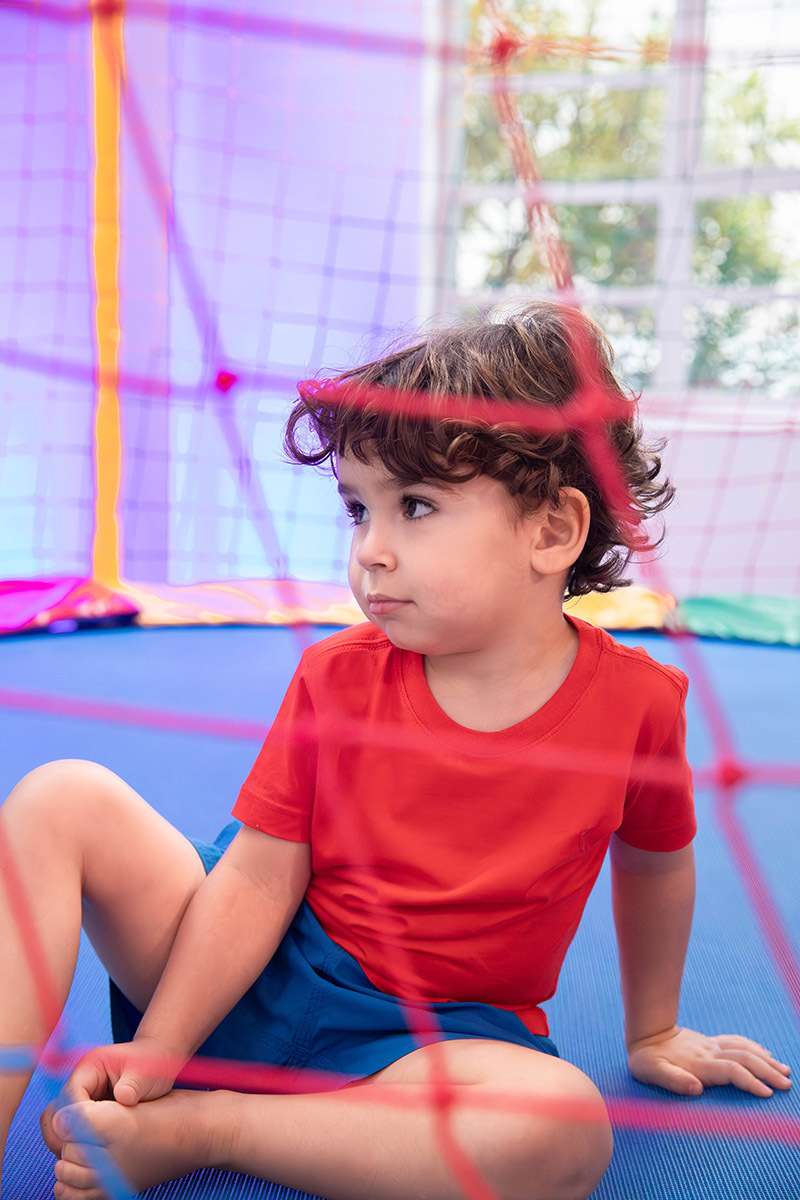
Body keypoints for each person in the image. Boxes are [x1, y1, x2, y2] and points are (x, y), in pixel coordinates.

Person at [0, 301, 790, 1200]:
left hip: (426, 1047)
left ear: (552, 532)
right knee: (61, 797)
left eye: (415, 507)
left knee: (563, 1132)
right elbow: (259, 878)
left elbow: (654, 865)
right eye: (356, 510)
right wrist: (161, 1049)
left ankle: (206, 1128)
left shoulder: (639, 705)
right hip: (250, 975)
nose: (370, 551)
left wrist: (653, 1032)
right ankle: (174, 1094)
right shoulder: (336, 678)